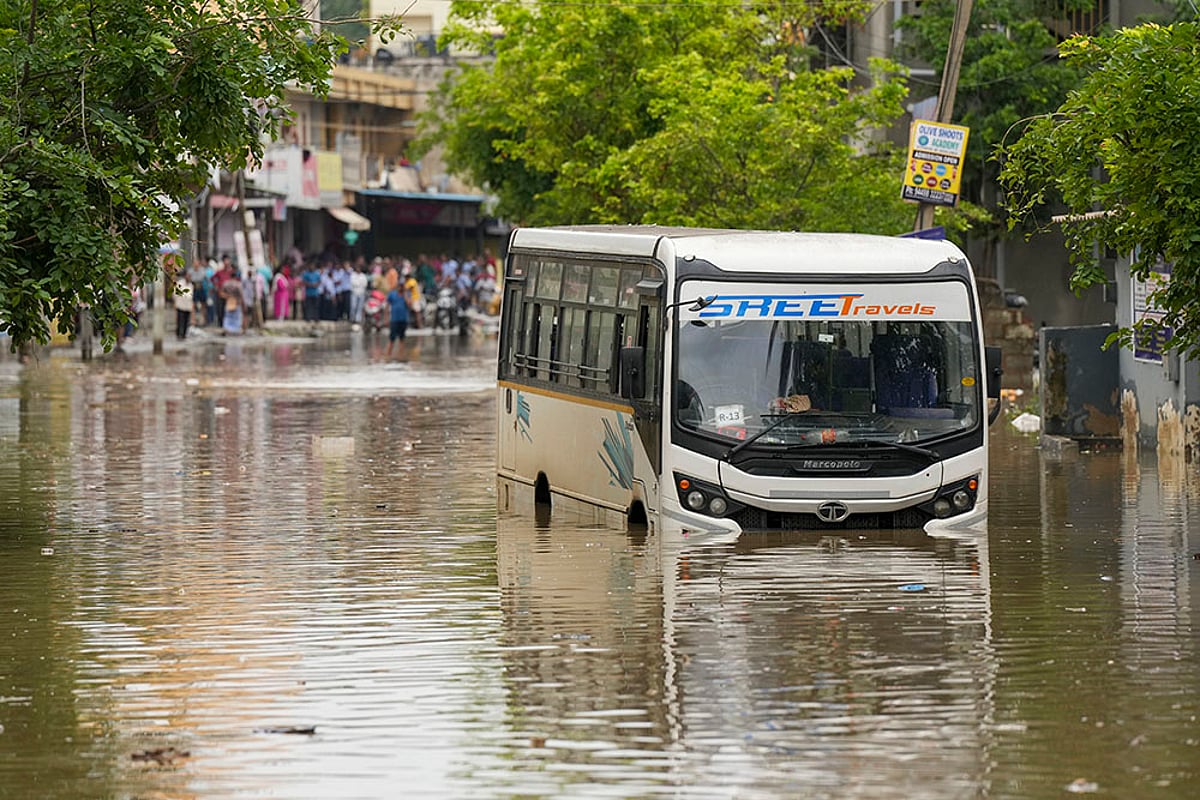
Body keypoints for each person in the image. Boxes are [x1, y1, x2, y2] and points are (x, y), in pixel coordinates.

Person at [386, 280, 409, 358]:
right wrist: (386, 318)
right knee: (392, 339)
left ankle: (401, 355)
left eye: (402, 286)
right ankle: (388, 355)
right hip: (394, 319)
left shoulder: (407, 295)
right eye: (399, 286)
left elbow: (410, 305)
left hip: (403, 319)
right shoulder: (392, 294)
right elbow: (387, 306)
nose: (400, 288)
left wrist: (405, 295)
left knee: (402, 339)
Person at [220, 271, 243, 335]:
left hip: (229, 301)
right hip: (236, 302)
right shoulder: (238, 284)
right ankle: (236, 329)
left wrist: (228, 296)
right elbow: (241, 295)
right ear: (235, 277)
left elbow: (221, 293)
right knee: (236, 317)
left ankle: (227, 328)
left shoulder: (226, 284)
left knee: (228, 316)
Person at [173, 272, 194, 340]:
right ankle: (179, 334)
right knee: (180, 321)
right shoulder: (180, 283)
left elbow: (191, 296)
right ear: (185, 276)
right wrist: (175, 303)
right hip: (180, 305)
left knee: (186, 321)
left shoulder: (191, 285)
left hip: (188, 306)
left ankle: (184, 335)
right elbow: (175, 294)